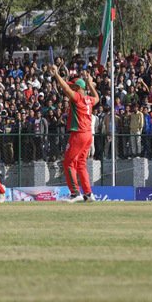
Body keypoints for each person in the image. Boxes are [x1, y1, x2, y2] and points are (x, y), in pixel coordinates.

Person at [50, 66, 99, 202]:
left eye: (74, 87)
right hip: (88, 135)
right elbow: (97, 98)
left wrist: (56, 75)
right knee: (81, 164)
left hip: (78, 134)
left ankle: (75, 193)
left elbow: (65, 89)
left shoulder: (77, 98)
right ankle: (88, 194)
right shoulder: (89, 100)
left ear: (78, 88)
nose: (71, 88)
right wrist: (90, 84)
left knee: (68, 163)